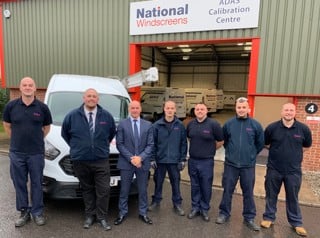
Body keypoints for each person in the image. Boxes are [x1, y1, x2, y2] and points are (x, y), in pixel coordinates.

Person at [61, 88, 116, 231]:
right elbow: (65, 134)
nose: (91, 98)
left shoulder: (107, 116)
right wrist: (78, 147)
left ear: (98, 99)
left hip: (101, 159)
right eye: (89, 96)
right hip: (81, 160)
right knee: (87, 189)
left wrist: (99, 147)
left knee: (104, 189)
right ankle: (89, 216)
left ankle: (102, 217)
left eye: (94, 96)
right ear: (84, 98)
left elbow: (111, 134)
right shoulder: (72, 116)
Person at [2, 77, 52, 227]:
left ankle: (37, 212)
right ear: (20, 88)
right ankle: (24, 212)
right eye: (25, 85)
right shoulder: (11, 106)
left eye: (30, 85)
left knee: (37, 183)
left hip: (36, 153)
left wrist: (37, 138)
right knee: (19, 183)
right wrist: (17, 139)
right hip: (17, 152)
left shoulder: (42, 108)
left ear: (35, 88)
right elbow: (7, 125)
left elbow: (47, 127)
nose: (28, 87)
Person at [260, 103, 312, 237]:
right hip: (274, 169)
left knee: (293, 197)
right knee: (271, 195)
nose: (288, 112)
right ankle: (268, 218)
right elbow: (266, 143)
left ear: (295, 112)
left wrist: (293, 154)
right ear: (281, 112)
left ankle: (296, 222)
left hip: (293, 171)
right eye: (286, 110)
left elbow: (306, 146)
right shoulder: (272, 128)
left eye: (291, 110)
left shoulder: (303, 129)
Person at [215, 97, 264, 231]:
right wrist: (232, 152)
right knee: (227, 190)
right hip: (231, 165)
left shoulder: (255, 125)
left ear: (248, 109)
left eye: (244, 108)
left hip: (248, 166)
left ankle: (249, 217)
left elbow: (260, 144)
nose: (241, 110)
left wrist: (251, 154)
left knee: (248, 192)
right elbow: (225, 140)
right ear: (235, 108)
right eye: (239, 107)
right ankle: (224, 213)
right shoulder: (229, 124)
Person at [114, 100, 154, 225]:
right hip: (126, 162)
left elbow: (150, 144)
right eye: (133, 108)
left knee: (142, 189)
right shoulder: (122, 125)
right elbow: (119, 144)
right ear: (129, 110)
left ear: (140, 109)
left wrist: (140, 158)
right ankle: (122, 213)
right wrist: (132, 158)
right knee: (124, 189)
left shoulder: (148, 125)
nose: (135, 110)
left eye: (137, 108)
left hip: (142, 163)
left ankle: (143, 213)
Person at [148, 101, 188, 216]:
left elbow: (183, 143)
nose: (170, 110)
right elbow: (153, 144)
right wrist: (152, 158)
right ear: (164, 109)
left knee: (175, 182)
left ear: (175, 110)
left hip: (174, 161)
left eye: (172, 108)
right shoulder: (156, 125)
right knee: (158, 182)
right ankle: (156, 201)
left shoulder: (180, 125)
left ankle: (177, 203)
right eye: (167, 108)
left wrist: (182, 159)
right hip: (160, 160)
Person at [186, 103, 224, 222]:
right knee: (194, 185)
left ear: (206, 111)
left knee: (206, 186)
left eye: (202, 109)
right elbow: (189, 137)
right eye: (197, 109)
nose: (200, 111)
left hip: (206, 161)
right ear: (195, 111)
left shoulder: (213, 124)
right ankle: (195, 207)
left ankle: (204, 209)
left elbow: (221, 140)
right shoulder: (190, 124)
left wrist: (211, 150)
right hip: (192, 160)